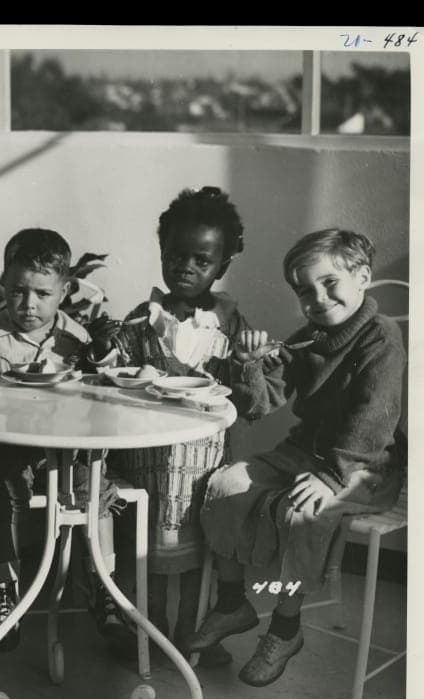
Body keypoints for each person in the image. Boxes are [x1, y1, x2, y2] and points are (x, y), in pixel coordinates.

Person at [184, 228, 406, 687]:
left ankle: (285, 629)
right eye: (305, 291)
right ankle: (232, 602)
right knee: (222, 484)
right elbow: (260, 404)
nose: (318, 299)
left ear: (363, 277)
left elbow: (373, 419)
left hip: (365, 466)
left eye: (330, 283)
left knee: (301, 510)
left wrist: (332, 475)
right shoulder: (310, 339)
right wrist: (248, 364)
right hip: (306, 454)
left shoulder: (382, 336)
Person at [89, 186, 280, 667]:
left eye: (202, 259)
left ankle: (191, 638)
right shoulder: (142, 320)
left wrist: (249, 362)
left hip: (205, 468)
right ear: (161, 251)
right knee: (147, 558)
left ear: (223, 265)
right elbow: (112, 384)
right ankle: (148, 634)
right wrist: (105, 351)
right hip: (148, 465)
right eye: (175, 255)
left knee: (201, 558)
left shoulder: (232, 328)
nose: (185, 267)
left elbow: (253, 405)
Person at [0, 228, 128, 653]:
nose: (28, 304)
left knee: (95, 491)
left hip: (66, 451)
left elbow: (103, 393)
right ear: (3, 284)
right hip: (6, 449)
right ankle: (6, 590)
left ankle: (104, 588)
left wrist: (100, 353)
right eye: (18, 291)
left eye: (42, 293)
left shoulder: (76, 337)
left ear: (64, 291)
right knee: (0, 492)